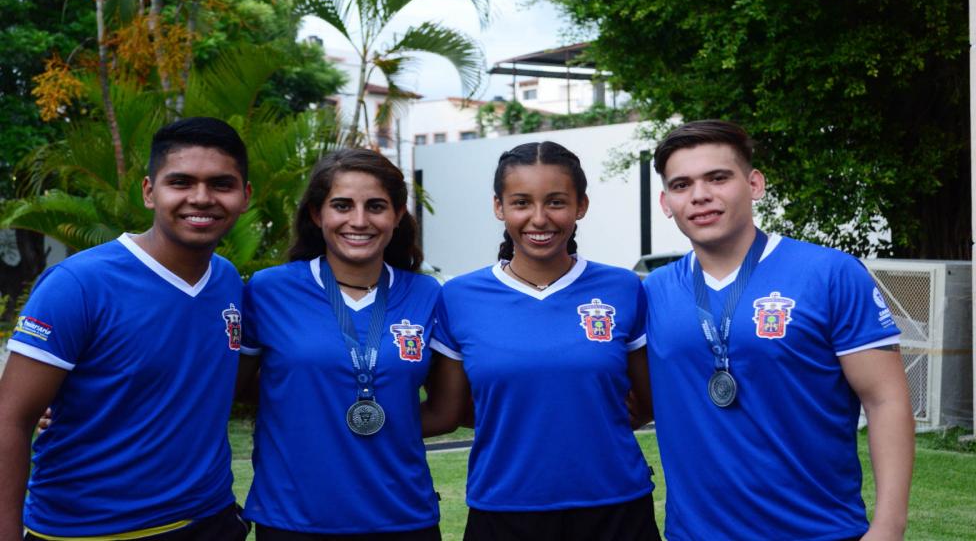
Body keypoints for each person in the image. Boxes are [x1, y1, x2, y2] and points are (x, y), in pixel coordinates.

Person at [644, 120, 915, 540]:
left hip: (820, 531)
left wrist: (889, 527)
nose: (700, 195)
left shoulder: (831, 274)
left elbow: (886, 401)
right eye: (682, 185)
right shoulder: (652, 292)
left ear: (754, 184)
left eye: (718, 178)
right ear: (666, 202)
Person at [0, 117, 253, 540]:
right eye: (181, 182)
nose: (201, 197)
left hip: (210, 519)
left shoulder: (228, 281)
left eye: (221, 184)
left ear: (245, 196)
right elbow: (11, 417)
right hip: (89, 530)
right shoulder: (78, 284)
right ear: (149, 192)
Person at [428, 141, 660, 541]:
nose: (539, 218)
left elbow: (648, 399)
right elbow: (453, 410)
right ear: (499, 207)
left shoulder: (622, 287)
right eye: (521, 203)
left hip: (616, 509)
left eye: (556, 202)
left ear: (581, 206)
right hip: (504, 510)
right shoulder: (459, 296)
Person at [236, 149, 453, 540]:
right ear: (317, 214)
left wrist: (386, 425)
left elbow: (445, 411)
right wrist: (307, 416)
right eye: (342, 205)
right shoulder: (269, 290)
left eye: (376, 206)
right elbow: (236, 387)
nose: (359, 220)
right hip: (292, 519)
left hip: (403, 518)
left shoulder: (427, 294)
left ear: (397, 215)